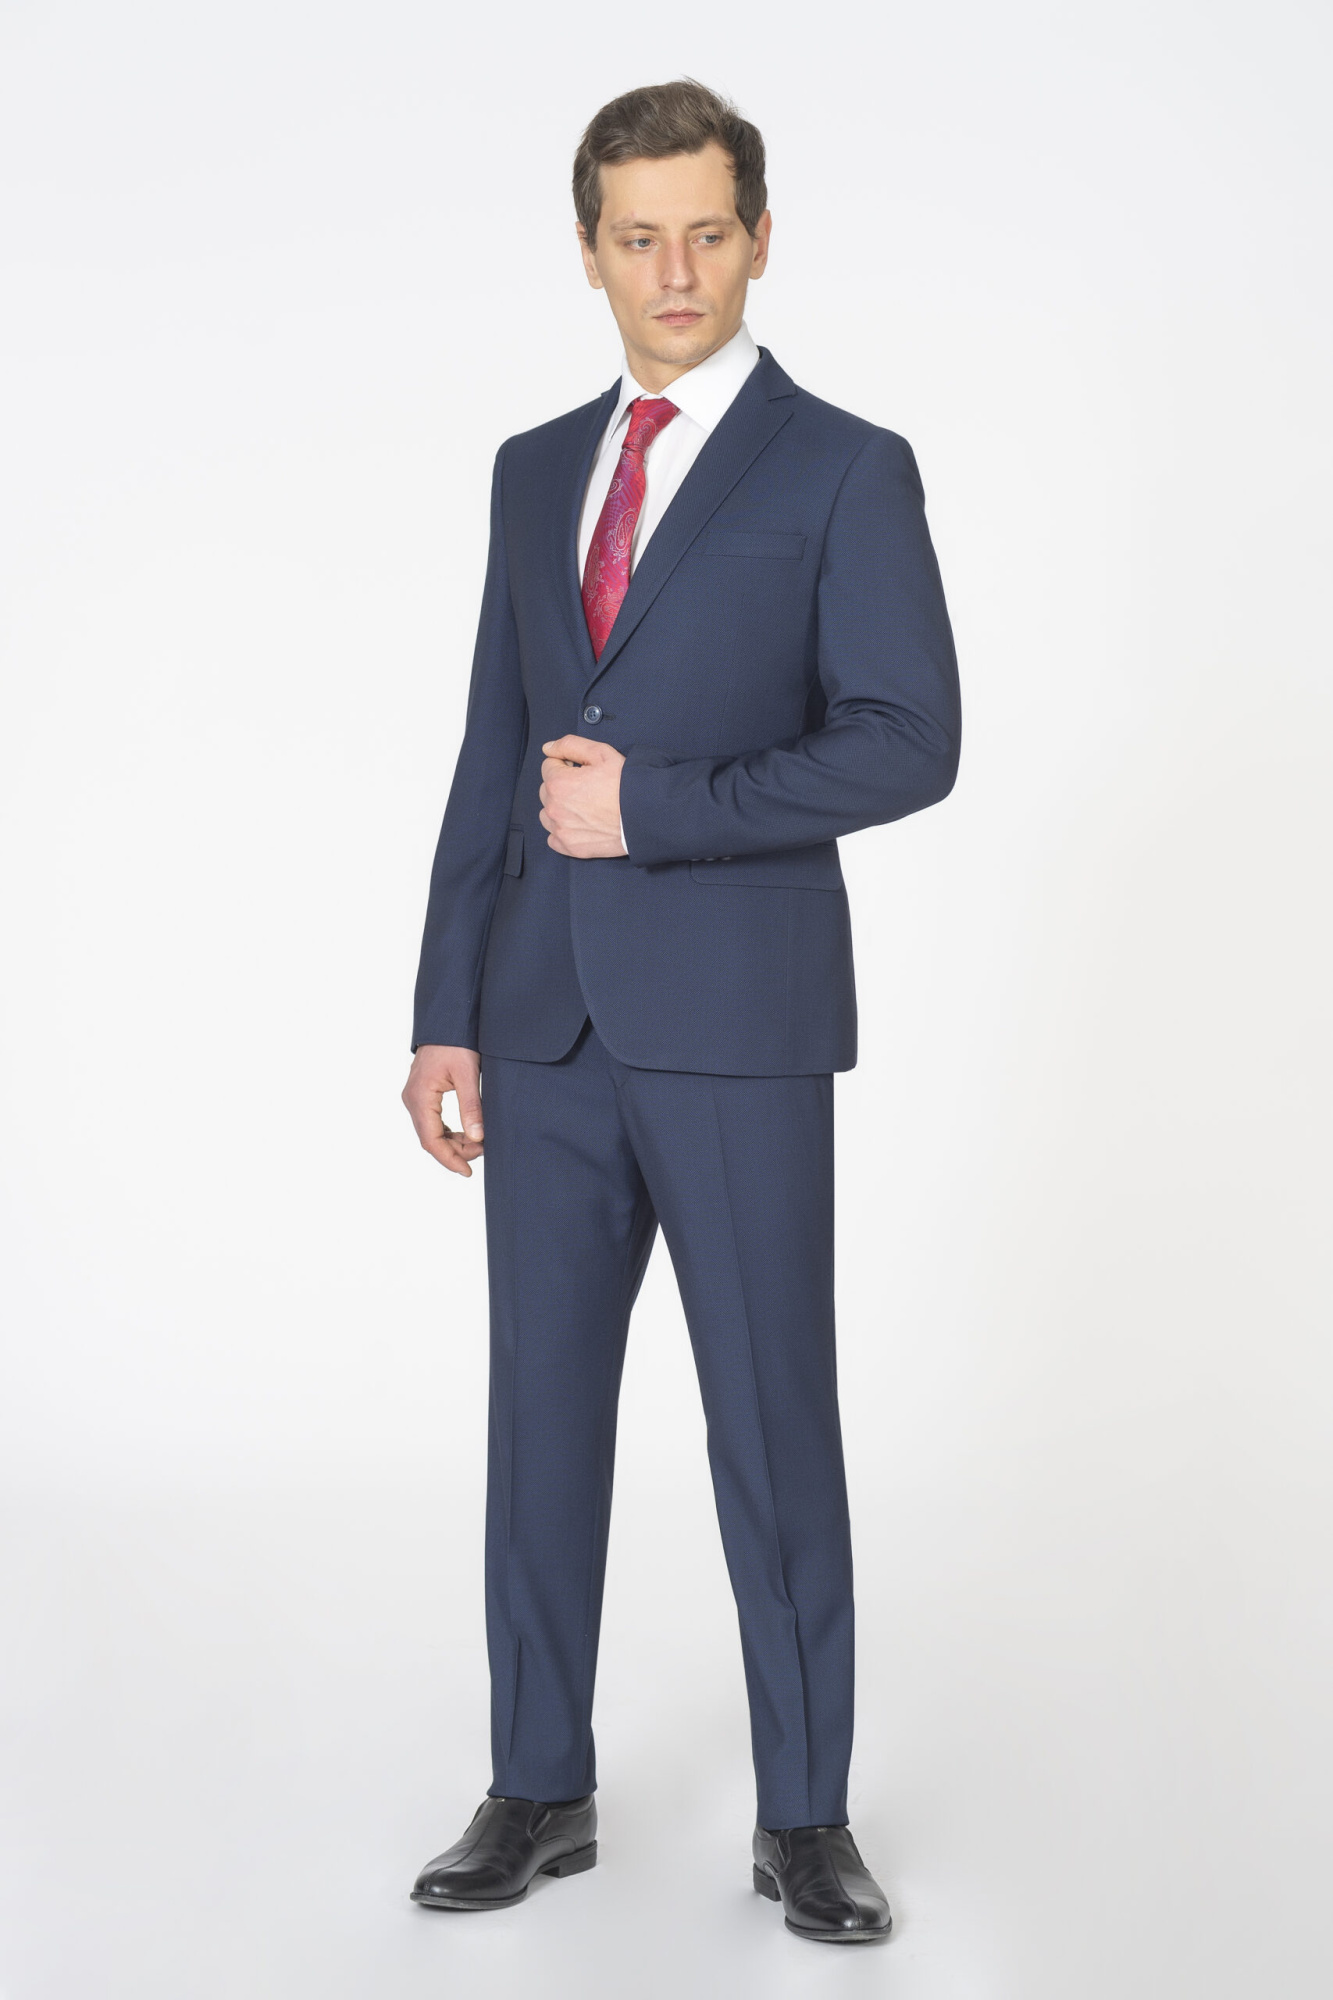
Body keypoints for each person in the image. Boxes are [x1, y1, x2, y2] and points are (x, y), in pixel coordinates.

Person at [401, 78, 960, 1946]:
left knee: (770, 1425)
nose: (674, 270)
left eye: (706, 231)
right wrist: (445, 1009)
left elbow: (909, 739)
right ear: (588, 253)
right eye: (637, 237)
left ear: (760, 237)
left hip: (734, 1024)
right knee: (538, 1420)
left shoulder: (841, 468)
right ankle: (534, 1783)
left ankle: (804, 1816)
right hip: (541, 1025)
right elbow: (491, 752)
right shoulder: (529, 468)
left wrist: (658, 810)